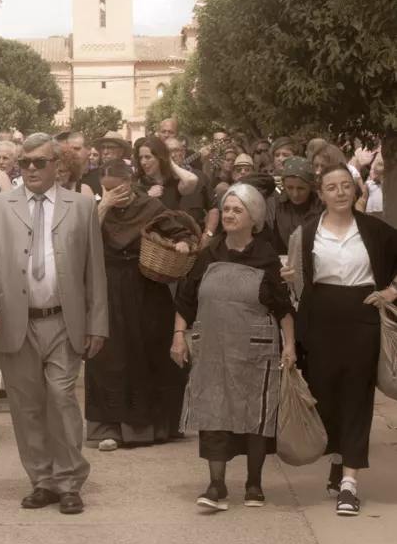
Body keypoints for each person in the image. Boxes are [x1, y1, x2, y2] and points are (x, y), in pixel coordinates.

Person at [0, 133, 108, 515]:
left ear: (56, 166)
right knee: (25, 404)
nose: (30, 168)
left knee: (63, 398)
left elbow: (94, 271)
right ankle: (42, 480)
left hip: (64, 321)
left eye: (39, 162)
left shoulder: (81, 206)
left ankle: (68, 480)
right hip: (16, 322)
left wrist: (97, 323)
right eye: (25, 162)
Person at [171, 184, 296, 511]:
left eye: (236, 210)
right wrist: (178, 335)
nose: (228, 215)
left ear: (253, 217)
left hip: (257, 349)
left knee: (255, 414)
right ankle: (216, 485)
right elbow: (186, 299)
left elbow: (283, 307)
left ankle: (254, 483)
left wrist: (290, 346)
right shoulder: (209, 253)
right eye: (226, 209)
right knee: (213, 412)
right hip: (212, 348)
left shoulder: (266, 256)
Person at [289, 164, 397, 516]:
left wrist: (391, 291)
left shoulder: (376, 231)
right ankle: (338, 455)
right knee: (324, 395)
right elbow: (296, 281)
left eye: (345, 186)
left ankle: (349, 482)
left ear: (355, 190)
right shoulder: (306, 233)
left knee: (356, 395)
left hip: (361, 314)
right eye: (331, 187)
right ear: (320, 194)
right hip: (319, 317)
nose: (339, 192)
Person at [86, 162, 198, 450]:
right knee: (111, 358)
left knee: (148, 355)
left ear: (131, 182)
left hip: (146, 287)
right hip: (110, 289)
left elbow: (179, 230)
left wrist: (183, 243)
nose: (112, 194)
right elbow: (81, 241)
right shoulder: (97, 209)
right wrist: (103, 205)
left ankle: (154, 428)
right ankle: (109, 428)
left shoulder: (150, 206)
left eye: (117, 188)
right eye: (107, 188)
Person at [169, 138, 219, 241]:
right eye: (168, 152)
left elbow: (213, 208)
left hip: (196, 241)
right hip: (164, 245)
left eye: (176, 151)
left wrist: (208, 234)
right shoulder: (158, 180)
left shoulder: (200, 177)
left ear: (183, 153)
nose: (172, 155)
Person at [272, 156, 322, 255]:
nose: (295, 194)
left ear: (311, 185)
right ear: (283, 183)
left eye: (301, 188)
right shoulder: (276, 204)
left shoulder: (321, 205)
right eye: (289, 187)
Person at [135, 136, 198, 210]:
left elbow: (192, 180)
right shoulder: (138, 182)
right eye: (141, 158)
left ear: (160, 158)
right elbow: (132, 209)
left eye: (148, 157)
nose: (143, 162)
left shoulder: (173, 181)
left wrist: (170, 163)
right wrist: (148, 196)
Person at [68, 131, 103, 198]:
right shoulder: (65, 176)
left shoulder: (101, 175)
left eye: (76, 149)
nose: (72, 153)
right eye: (69, 149)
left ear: (88, 150)